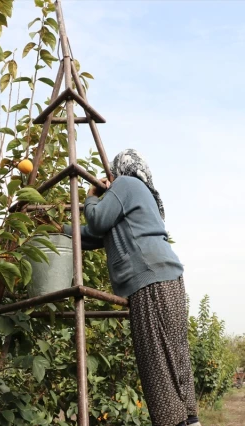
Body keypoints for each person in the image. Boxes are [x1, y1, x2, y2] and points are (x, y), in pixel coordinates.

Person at [58, 149, 200, 426]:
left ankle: (175, 423)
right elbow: (95, 234)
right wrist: (59, 228)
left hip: (151, 279)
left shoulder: (125, 184)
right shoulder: (142, 192)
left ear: (118, 169)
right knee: (175, 356)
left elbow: (97, 220)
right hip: (167, 277)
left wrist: (90, 196)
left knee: (156, 361)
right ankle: (190, 420)